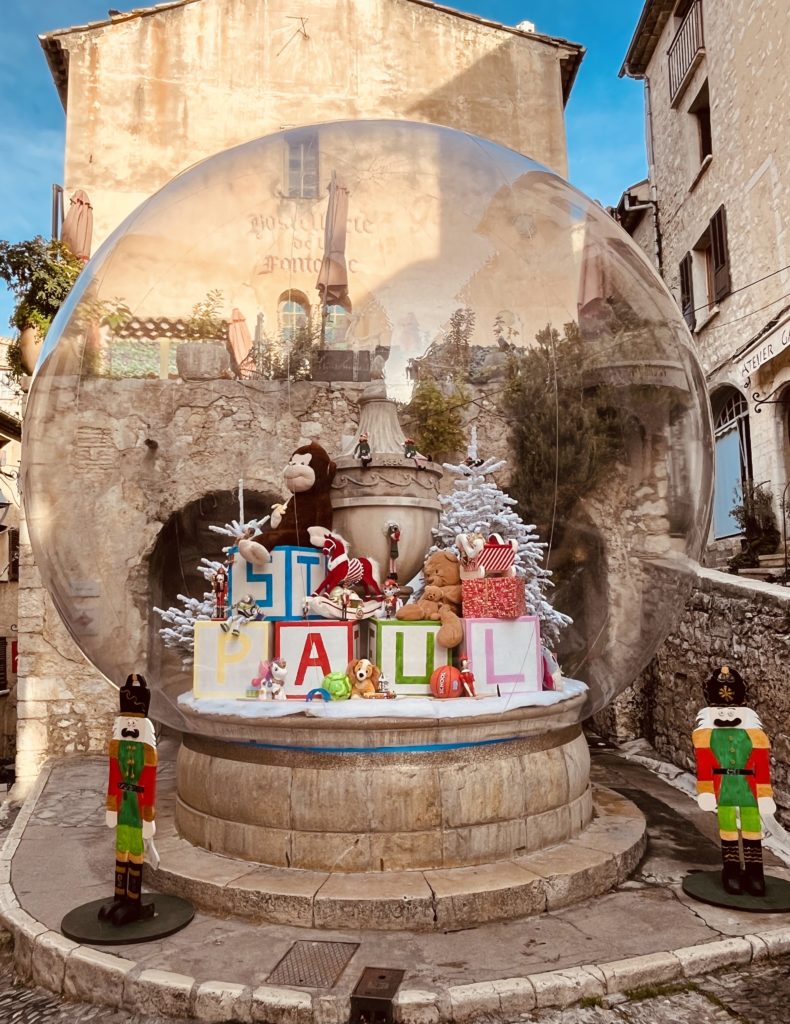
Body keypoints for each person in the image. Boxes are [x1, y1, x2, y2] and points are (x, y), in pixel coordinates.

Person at [100, 673, 157, 926]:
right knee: (120, 850)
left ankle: (133, 902)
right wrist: (111, 806)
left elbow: (150, 783)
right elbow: (113, 776)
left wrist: (149, 816)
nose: (130, 728)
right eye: (128, 723)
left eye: (135, 724)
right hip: (123, 806)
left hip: (137, 808)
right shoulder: (117, 748)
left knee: (134, 852)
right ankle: (119, 898)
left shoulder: (147, 751)